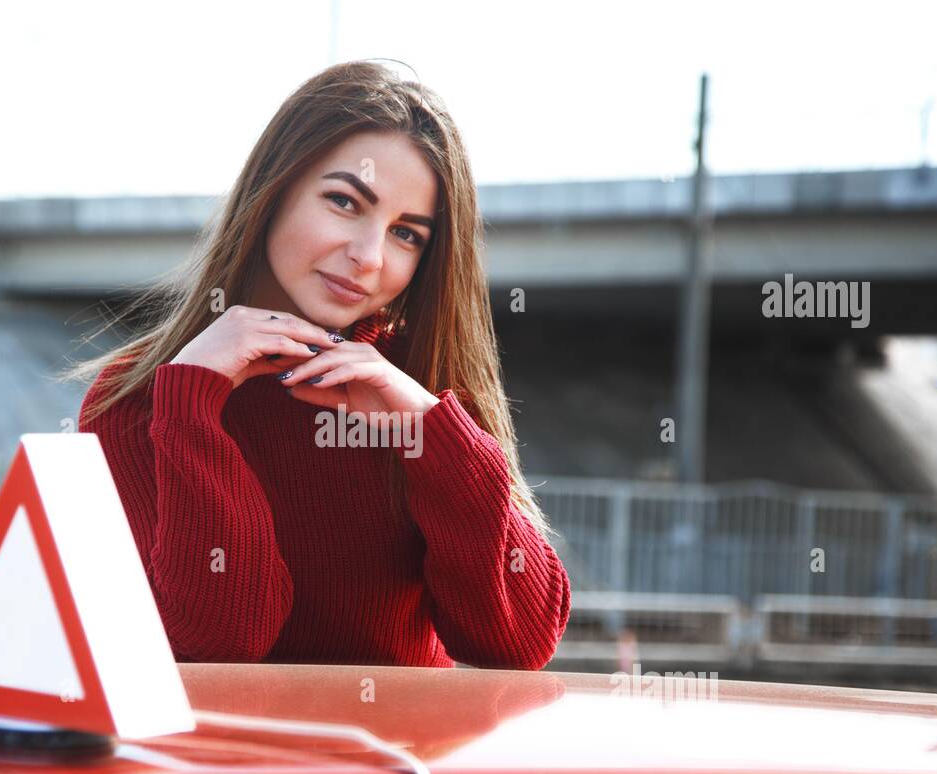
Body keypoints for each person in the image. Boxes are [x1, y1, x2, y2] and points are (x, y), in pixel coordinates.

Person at [66, 60, 570, 668]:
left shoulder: (421, 384)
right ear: (273, 190)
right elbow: (217, 645)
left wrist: (434, 438)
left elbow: (516, 645)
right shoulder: (140, 397)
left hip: (401, 761)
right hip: (226, 763)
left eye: (407, 234)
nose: (368, 256)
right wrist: (193, 409)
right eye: (343, 201)